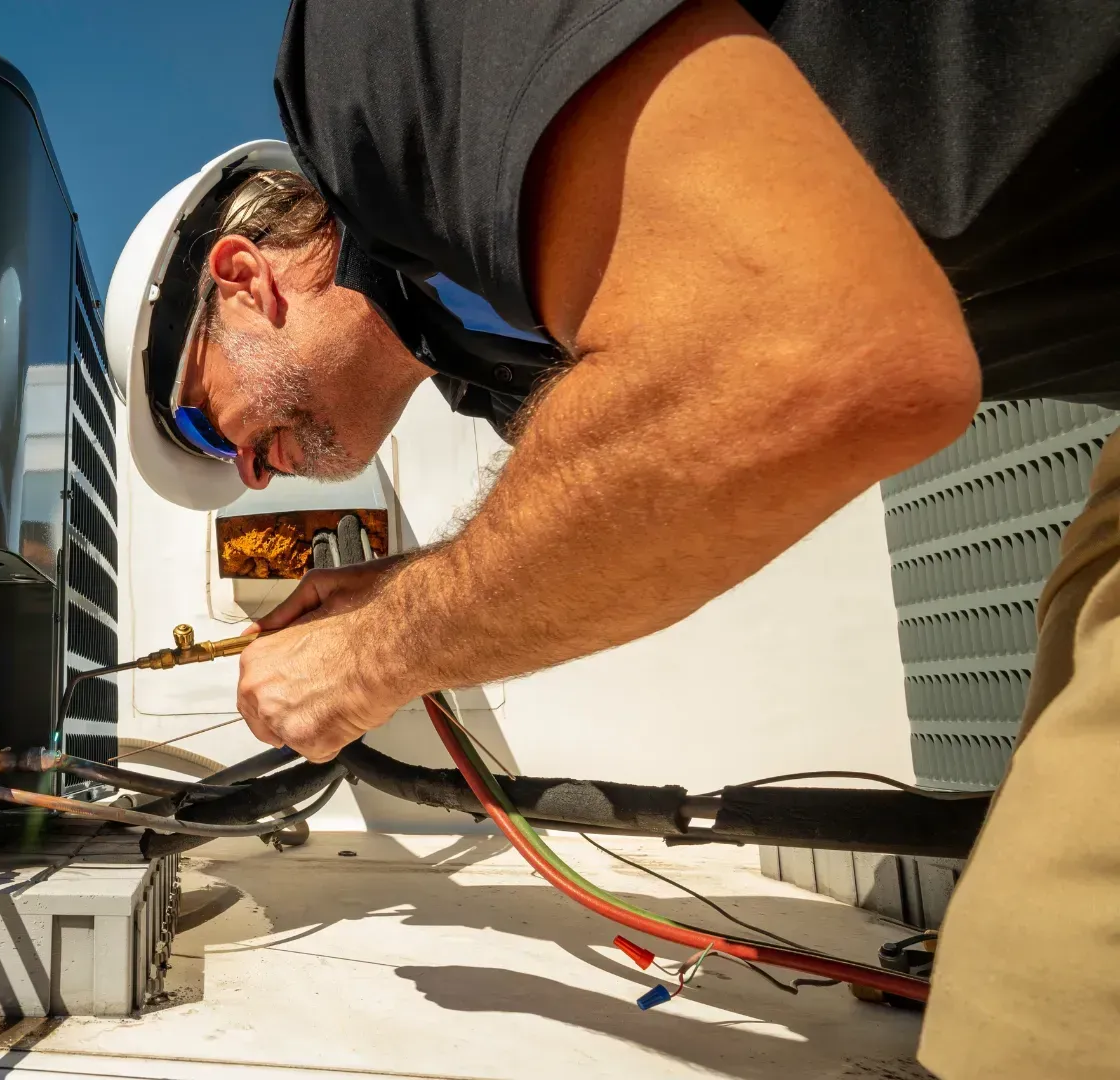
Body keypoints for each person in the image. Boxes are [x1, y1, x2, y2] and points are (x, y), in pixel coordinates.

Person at [100, 1, 1120, 1075]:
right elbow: (683, 481)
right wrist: (412, 595)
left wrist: (373, 653)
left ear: (242, 281)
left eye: (209, 423)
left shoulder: (376, 52)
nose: (249, 471)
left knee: (1030, 1010)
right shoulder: (514, 363)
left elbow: (820, 356)